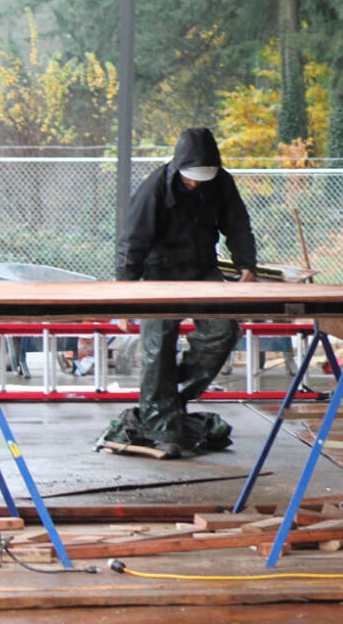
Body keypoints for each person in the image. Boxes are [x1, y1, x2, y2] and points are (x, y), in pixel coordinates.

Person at [112, 127, 257, 457]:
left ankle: (167, 400)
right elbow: (131, 243)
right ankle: (160, 421)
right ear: (178, 168)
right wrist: (124, 299)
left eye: (202, 178)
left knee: (224, 330)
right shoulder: (154, 190)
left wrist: (246, 265)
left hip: (202, 268)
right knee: (157, 346)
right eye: (191, 178)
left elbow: (237, 224)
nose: (196, 183)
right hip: (158, 274)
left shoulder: (221, 183)